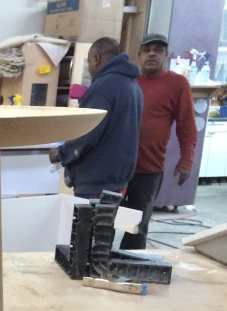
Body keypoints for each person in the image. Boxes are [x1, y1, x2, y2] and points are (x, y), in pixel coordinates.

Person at [120, 34, 198, 250]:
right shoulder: (128, 81)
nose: (152, 53)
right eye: (147, 50)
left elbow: (187, 127)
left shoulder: (177, 84)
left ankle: (131, 271)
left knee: (135, 226)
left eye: (158, 50)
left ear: (166, 55)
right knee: (106, 220)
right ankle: (98, 267)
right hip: (117, 167)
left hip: (148, 169)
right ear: (139, 55)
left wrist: (186, 160)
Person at [49, 37, 143, 199]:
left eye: (88, 62)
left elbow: (86, 132)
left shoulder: (103, 87)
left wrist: (60, 153)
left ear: (96, 58)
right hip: (118, 180)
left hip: (96, 181)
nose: (89, 67)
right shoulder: (134, 86)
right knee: (103, 224)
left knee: (86, 224)